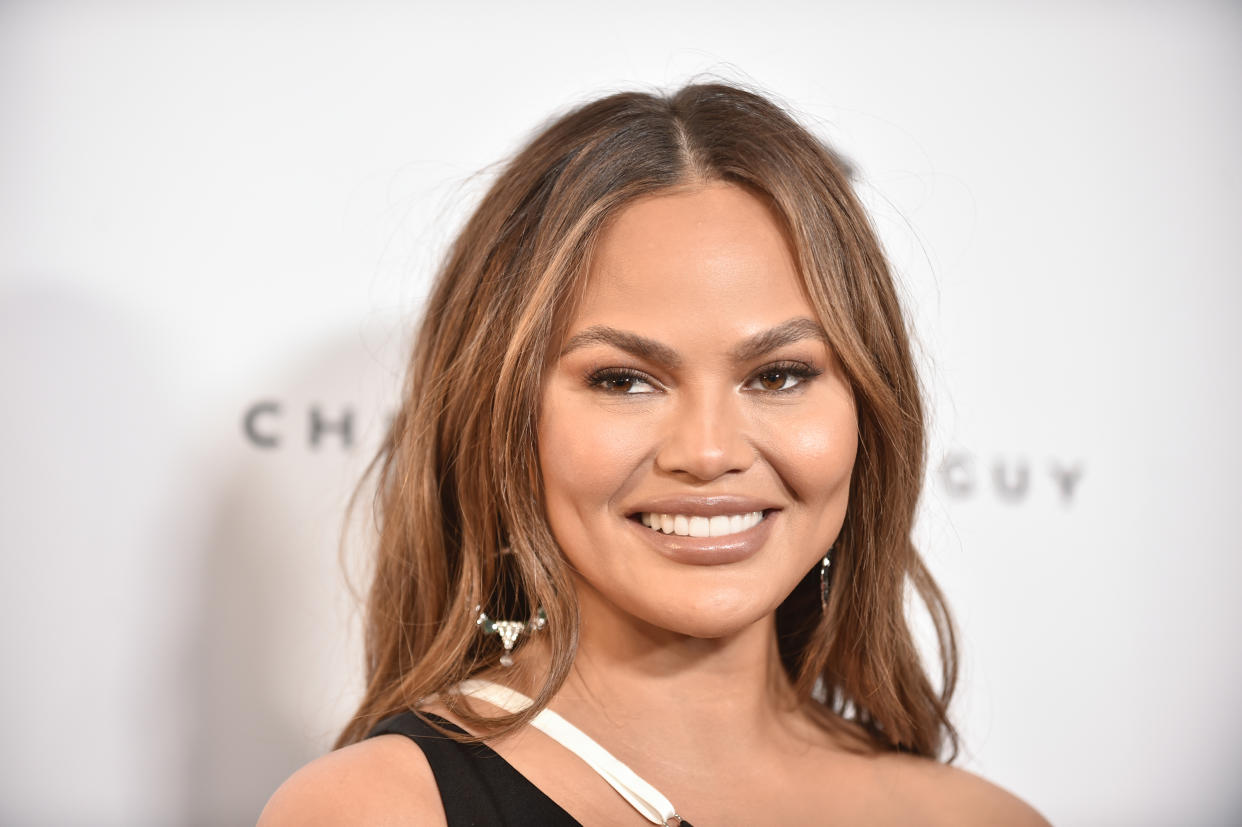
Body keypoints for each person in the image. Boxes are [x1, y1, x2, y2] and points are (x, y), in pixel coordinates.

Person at [260, 81, 1049, 826]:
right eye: (625, 380)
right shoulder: (381, 809)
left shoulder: (982, 817)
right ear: (503, 420)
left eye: (779, 374)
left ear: (869, 413)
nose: (708, 452)